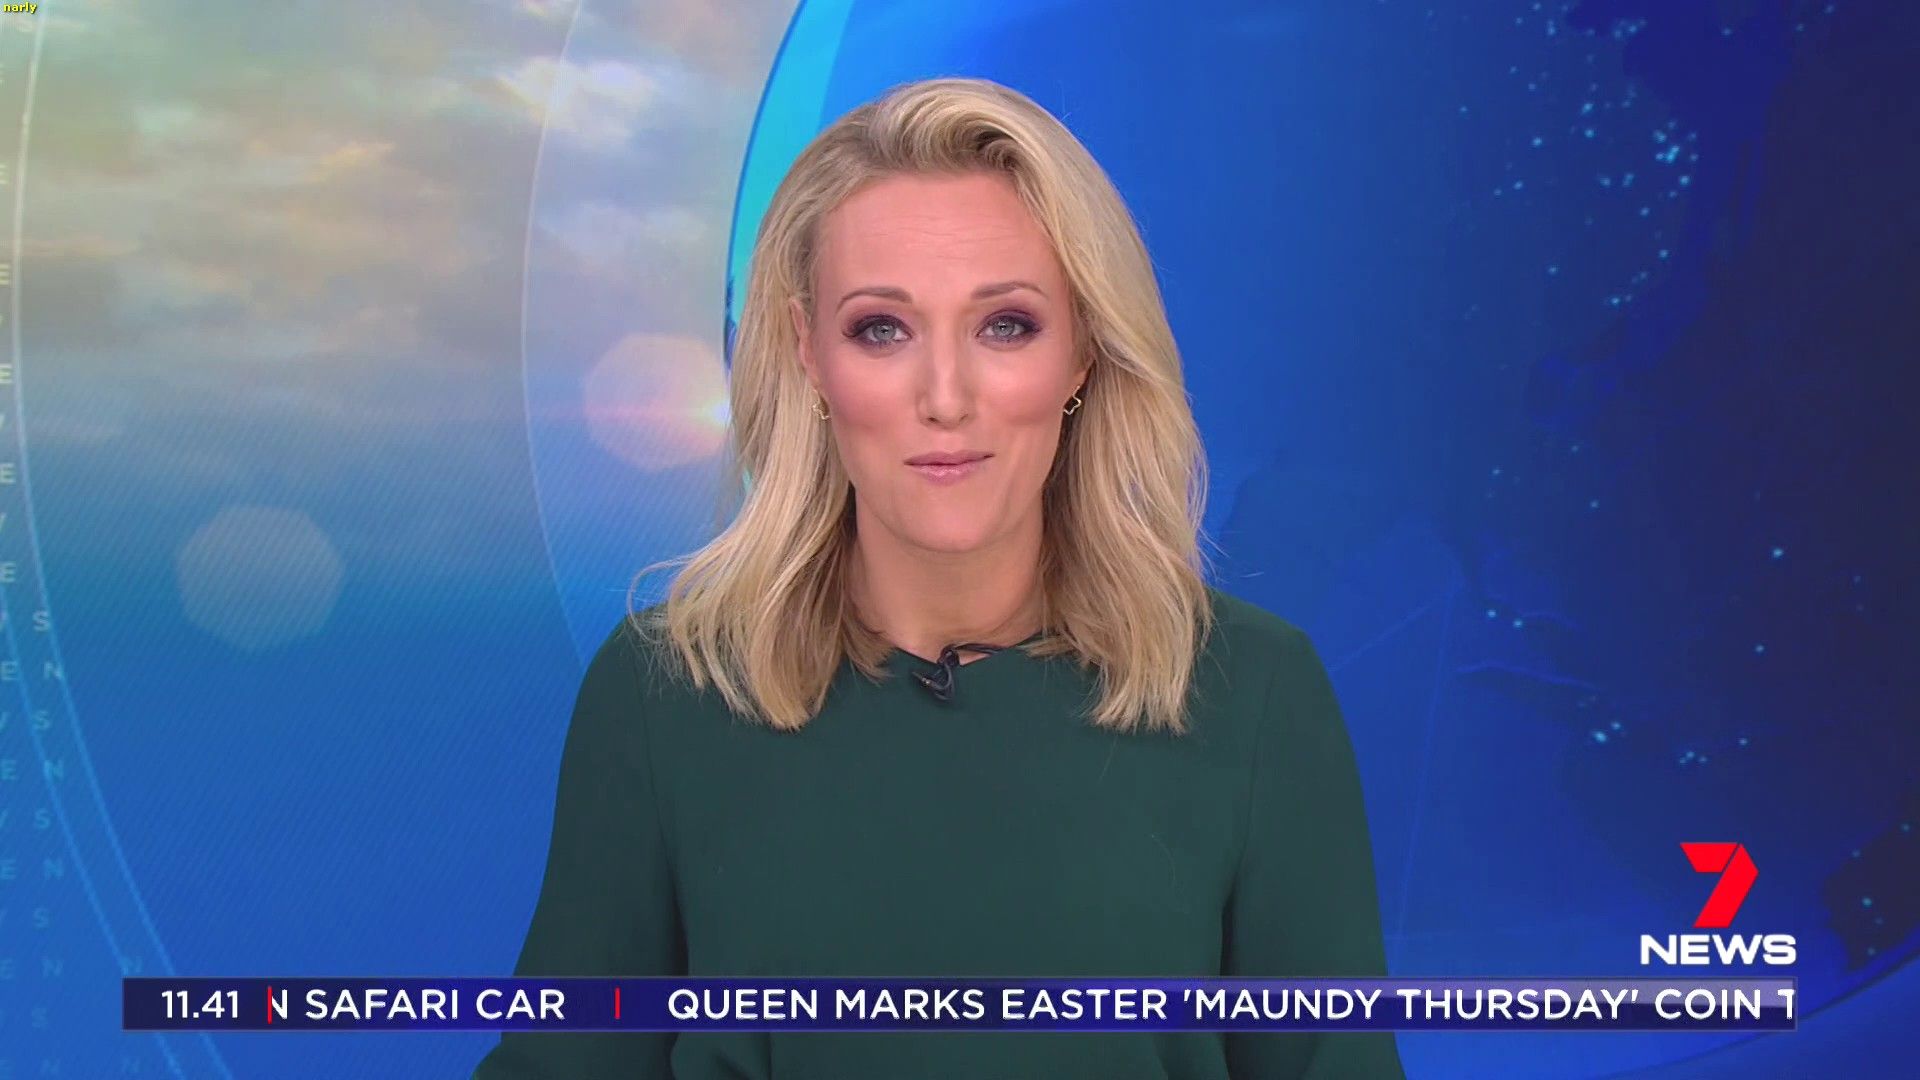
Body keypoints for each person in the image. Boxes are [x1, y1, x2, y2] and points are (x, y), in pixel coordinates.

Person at [474, 75, 1403, 1080]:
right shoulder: (666, 692)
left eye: (1006, 325)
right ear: (808, 353)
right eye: (882, 329)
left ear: (1083, 351)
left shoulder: (1253, 694)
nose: (946, 397)